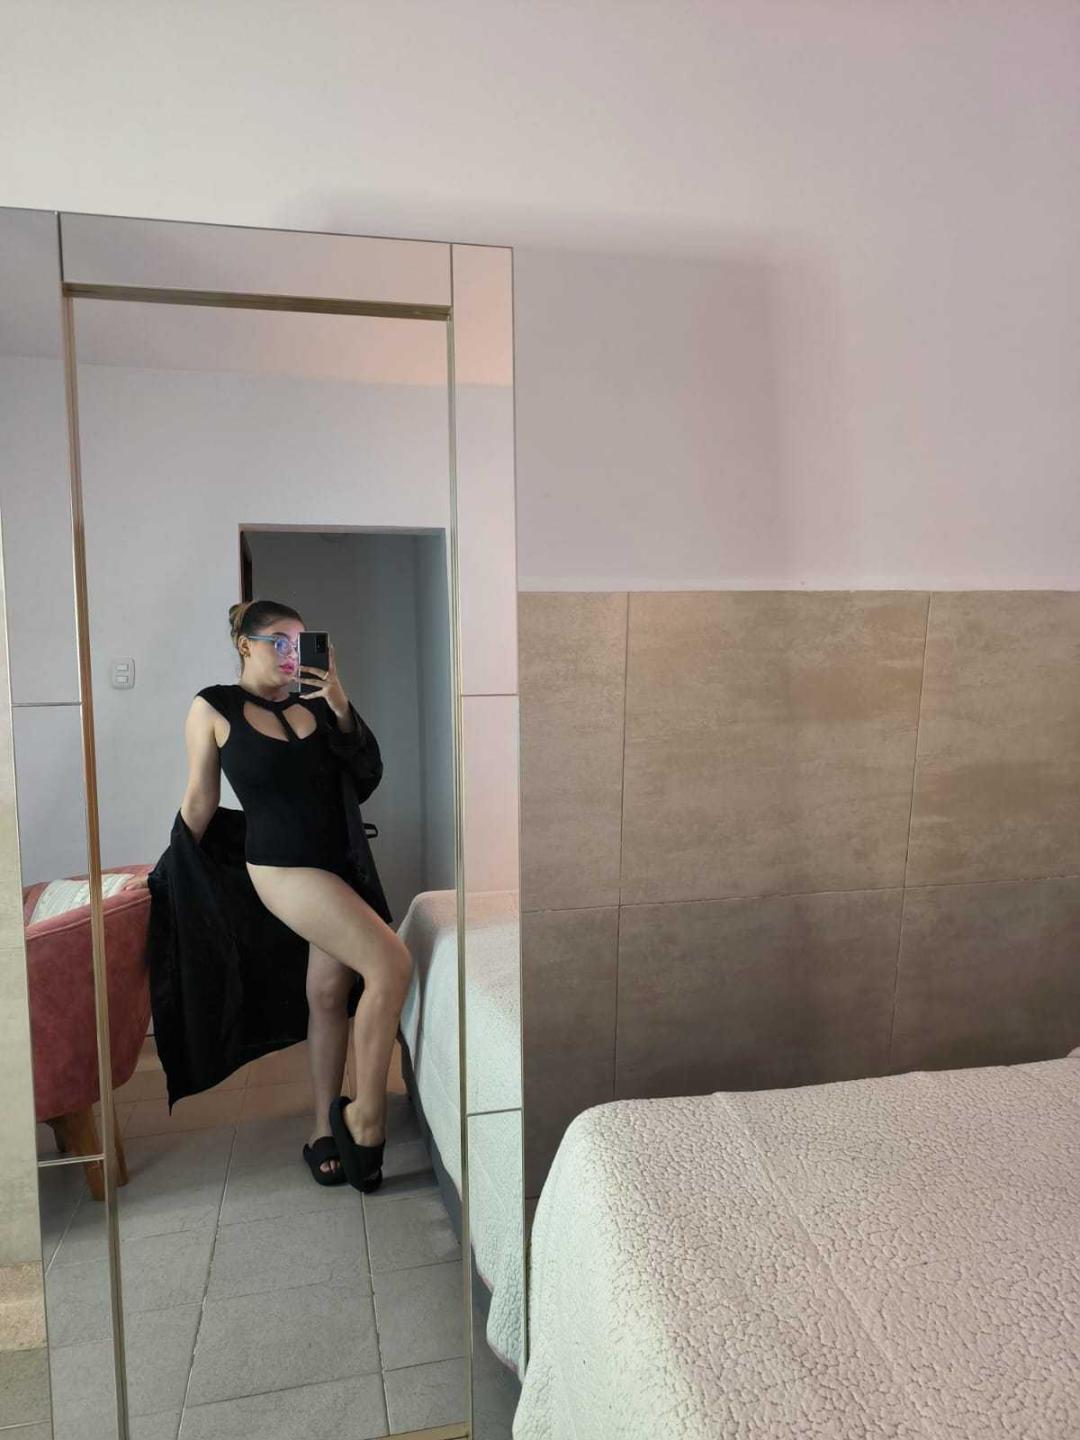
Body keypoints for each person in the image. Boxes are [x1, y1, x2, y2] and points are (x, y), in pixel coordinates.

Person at [176, 598, 412, 1191]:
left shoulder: (317, 703)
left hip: (340, 865)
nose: (291, 654)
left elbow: (366, 776)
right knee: (391, 963)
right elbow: (202, 799)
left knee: (328, 995)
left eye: (302, 643)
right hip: (280, 868)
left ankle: (322, 1129)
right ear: (245, 645)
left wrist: (340, 704)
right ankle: (366, 1116)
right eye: (279, 642)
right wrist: (170, 866)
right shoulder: (213, 707)